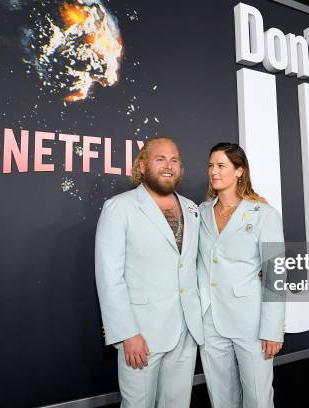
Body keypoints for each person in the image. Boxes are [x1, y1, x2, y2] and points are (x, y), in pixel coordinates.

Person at [95, 137, 204, 408]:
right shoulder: (119, 207)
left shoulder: (192, 208)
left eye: (174, 160)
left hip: (186, 331)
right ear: (142, 166)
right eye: (160, 159)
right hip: (141, 334)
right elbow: (109, 277)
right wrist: (126, 333)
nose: (169, 165)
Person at [197, 142, 285, 408]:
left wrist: (273, 330)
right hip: (209, 320)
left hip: (251, 322)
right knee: (221, 398)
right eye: (211, 165)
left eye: (221, 165)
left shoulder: (264, 215)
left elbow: (275, 274)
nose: (214, 171)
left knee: (258, 398)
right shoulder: (199, 213)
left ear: (239, 171)